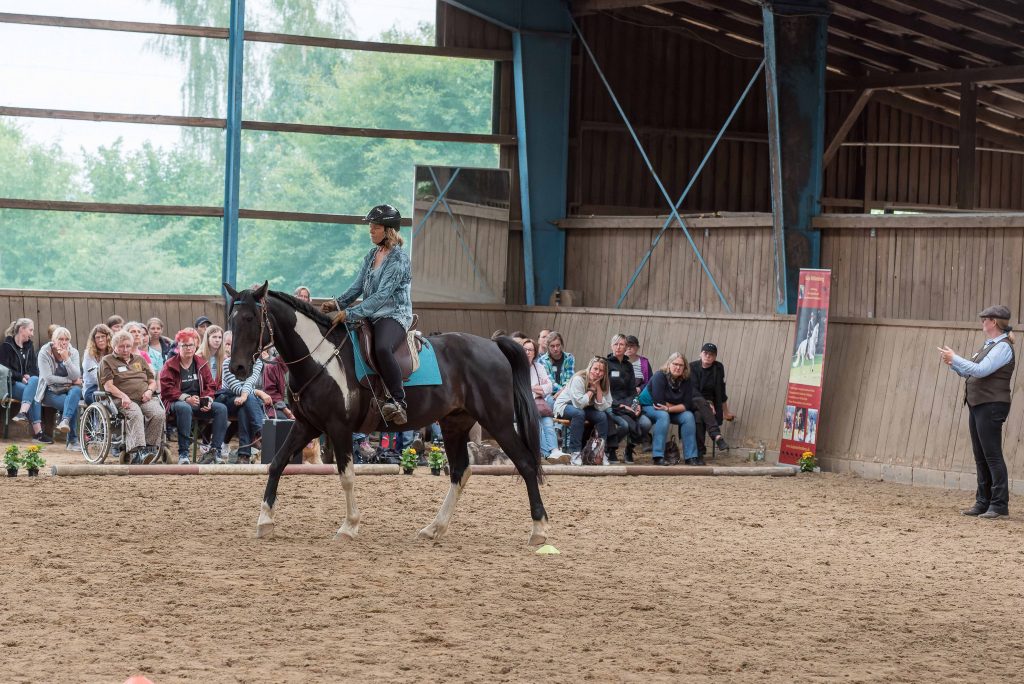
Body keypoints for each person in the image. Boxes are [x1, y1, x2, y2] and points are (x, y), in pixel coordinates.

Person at [320, 203, 412, 425]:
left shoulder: (399, 259)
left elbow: (382, 296)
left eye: (375, 228)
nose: (370, 231)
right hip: (370, 314)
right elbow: (358, 286)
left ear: (388, 230)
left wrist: (350, 313)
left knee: (382, 347)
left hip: (394, 314)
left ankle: (398, 401)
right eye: (370, 227)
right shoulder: (372, 254)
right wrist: (337, 303)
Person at [940, 305, 1016, 519]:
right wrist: (953, 364)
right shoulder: (990, 345)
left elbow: (981, 370)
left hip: (991, 404)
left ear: (993, 322)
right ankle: (983, 501)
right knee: (981, 455)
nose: (982, 322)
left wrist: (956, 358)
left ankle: (999, 504)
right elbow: (971, 372)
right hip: (979, 403)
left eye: (985, 319)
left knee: (992, 455)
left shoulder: (1002, 347)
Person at [160, 328, 228, 465]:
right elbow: (166, 389)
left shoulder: (201, 363)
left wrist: (208, 399)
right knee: (184, 408)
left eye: (190, 345)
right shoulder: (170, 364)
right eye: (184, 345)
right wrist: (185, 398)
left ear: (195, 345)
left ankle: (215, 451)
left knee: (221, 408)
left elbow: (210, 385)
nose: (188, 348)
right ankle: (183, 454)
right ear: (178, 346)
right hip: (176, 401)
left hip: (198, 401)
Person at [100, 330, 165, 464]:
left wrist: (149, 391)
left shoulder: (140, 359)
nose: (125, 349)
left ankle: (149, 449)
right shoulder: (107, 361)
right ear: (114, 347)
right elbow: (108, 386)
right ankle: (137, 452)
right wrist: (123, 396)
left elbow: (152, 381)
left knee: (158, 413)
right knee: (135, 414)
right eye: (121, 346)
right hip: (121, 399)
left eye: (128, 346)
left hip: (144, 397)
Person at [640, 353, 702, 465]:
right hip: (648, 406)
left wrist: (669, 409)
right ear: (669, 364)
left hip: (668, 409)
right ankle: (658, 456)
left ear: (685, 368)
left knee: (688, 416)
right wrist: (675, 407)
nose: (678, 367)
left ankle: (691, 457)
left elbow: (687, 404)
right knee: (663, 416)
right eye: (675, 364)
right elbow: (658, 403)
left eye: (681, 365)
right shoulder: (660, 375)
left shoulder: (686, 380)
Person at [2, 318, 50, 443]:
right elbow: (4, 369)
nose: (32, 333)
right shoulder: (7, 346)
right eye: (30, 330)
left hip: (28, 383)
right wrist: (21, 377)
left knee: (34, 379)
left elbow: (34, 369)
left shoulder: (29, 347)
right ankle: (38, 434)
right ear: (21, 329)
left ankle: (22, 413)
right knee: (34, 394)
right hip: (11, 384)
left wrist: (28, 375)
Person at [553, 356, 611, 462]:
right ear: (590, 368)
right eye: (595, 369)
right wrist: (591, 390)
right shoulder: (579, 378)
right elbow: (579, 404)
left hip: (585, 408)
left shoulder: (604, 382)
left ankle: (600, 452)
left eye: (601, 370)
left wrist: (598, 387)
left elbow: (603, 407)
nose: (598, 372)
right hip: (566, 405)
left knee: (602, 416)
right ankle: (575, 452)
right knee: (578, 413)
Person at [219, 337, 266, 464]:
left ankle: (243, 456)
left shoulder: (257, 363)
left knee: (245, 406)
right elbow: (235, 387)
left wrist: (245, 396)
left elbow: (250, 382)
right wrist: (257, 392)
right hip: (228, 398)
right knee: (249, 399)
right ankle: (261, 432)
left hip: (245, 402)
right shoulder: (227, 362)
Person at [36, 326, 83, 450]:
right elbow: (49, 378)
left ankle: (65, 421)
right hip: (49, 390)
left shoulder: (73, 352)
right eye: (60, 339)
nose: (63, 342)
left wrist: (66, 358)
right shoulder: (44, 352)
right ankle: (72, 441)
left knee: (76, 391)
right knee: (71, 404)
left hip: (68, 390)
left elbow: (76, 375)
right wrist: (71, 381)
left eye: (66, 339)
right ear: (53, 340)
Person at [605, 333, 650, 463]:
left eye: (622, 344)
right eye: (616, 344)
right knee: (624, 425)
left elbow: (632, 390)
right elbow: (604, 391)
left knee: (645, 423)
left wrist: (637, 404)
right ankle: (610, 449)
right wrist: (620, 405)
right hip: (612, 404)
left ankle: (629, 449)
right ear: (611, 346)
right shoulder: (606, 364)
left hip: (629, 403)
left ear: (626, 347)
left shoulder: (628, 366)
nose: (619, 347)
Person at [521, 337, 564, 462]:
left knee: (548, 423)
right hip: (523, 404)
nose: (528, 352)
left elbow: (549, 387)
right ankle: (547, 453)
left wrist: (532, 388)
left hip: (538, 402)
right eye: (525, 349)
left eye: (531, 350)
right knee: (537, 423)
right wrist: (538, 388)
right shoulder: (517, 368)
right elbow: (518, 388)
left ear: (535, 353)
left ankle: (555, 450)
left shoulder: (538, 367)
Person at [690, 342, 735, 458]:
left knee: (699, 417)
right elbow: (693, 390)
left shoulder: (718, 368)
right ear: (700, 354)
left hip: (710, 405)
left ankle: (699, 452)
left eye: (711, 354)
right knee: (700, 409)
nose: (708, 356)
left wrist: (726, 412)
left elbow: (721, 391)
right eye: (705, 353)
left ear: (715, 357)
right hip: (693, 401)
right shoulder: (692, 367)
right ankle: (717, 436)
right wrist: (707, 403)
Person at [82, 323, 113, 404]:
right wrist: (109, 383)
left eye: (103, 336)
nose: (100, 340)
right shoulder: (89, 354)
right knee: (102, 402)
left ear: (108, 337)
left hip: (113, 385)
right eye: (97, 337)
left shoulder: (114, 351)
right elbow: (93, 377)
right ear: (94, 340)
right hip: (93, 388)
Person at [540, 330, 575, 397]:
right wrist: (562, 390)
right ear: (548, 346)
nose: (555, 349)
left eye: (558, 345)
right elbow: (550, 382)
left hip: (566, 393)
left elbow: (570, 379)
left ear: (561, 345)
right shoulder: (542, 360)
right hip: (549, 395)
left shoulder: (569, 358)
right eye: (552, 346)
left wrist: (562, 392)